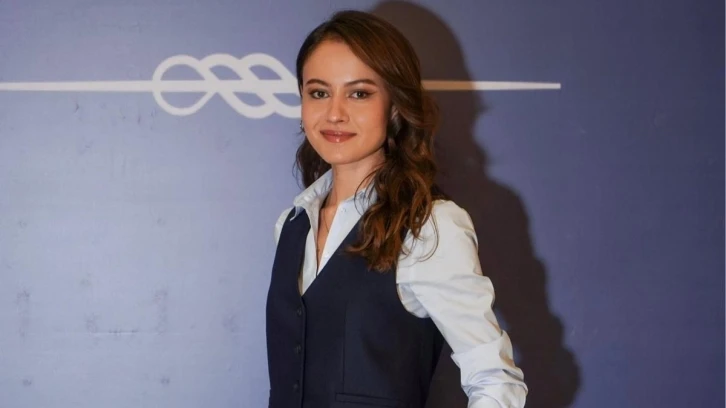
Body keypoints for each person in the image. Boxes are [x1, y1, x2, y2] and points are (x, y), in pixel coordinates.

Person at [265, 10, 527, 408]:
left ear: (394, 105)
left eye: (359, 93)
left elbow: (496, 380)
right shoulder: (292, 224)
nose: (334, 113)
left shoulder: (429, 226)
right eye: (319, 93)